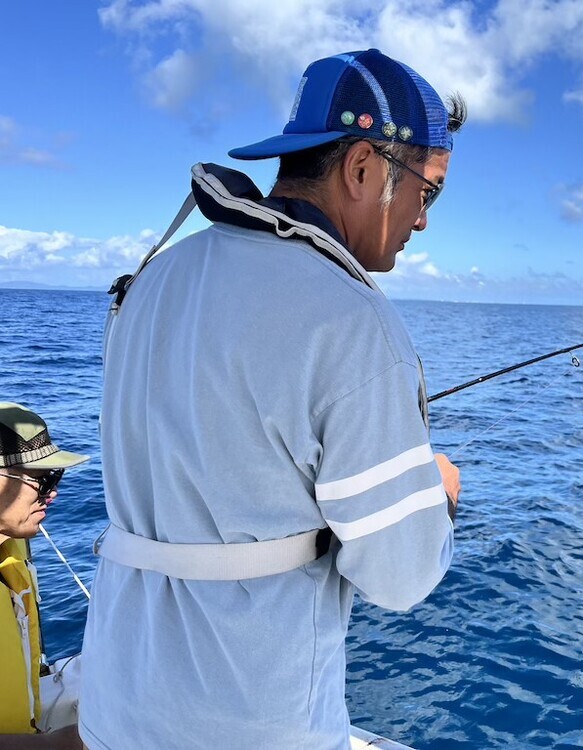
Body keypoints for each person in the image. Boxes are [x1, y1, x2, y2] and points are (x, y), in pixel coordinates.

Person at [80, 49, 465, 749]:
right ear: (362, 167)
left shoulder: (151, 281)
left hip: (114, 708)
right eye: (429, 191)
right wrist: (436, 497)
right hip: (248, 728)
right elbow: (400, 575)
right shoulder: (351, 322)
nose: (423, 220)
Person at [0, 402, 88, 745]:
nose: (53, 494)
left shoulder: (12, 552)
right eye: (42, 480)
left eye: (56, 476)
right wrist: (55, 744)